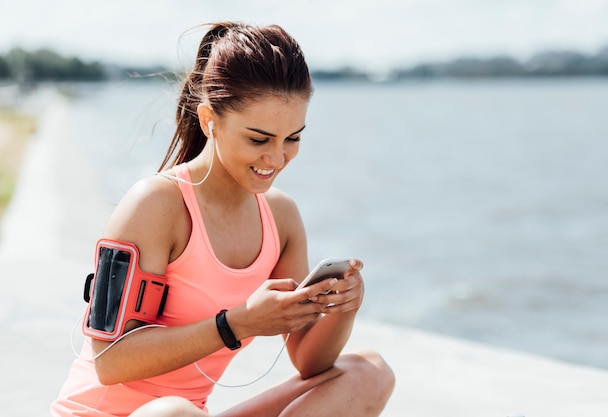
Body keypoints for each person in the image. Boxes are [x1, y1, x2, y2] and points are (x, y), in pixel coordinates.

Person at [51, 21, 394, 417]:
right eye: (259, 139)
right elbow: (110, 362)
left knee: (369, 373)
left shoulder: (281, 218)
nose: (277, 158)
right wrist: (238, 324)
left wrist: (344, 307)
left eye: (293, 138)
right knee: (173, 412)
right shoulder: (155, 204)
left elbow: (309, 363)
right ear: (210, 120)